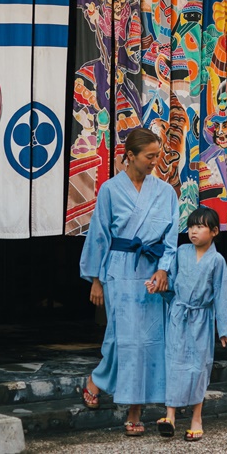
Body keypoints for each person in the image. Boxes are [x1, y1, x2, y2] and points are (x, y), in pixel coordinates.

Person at [79, 127, 179, 437]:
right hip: (119, 270)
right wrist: (95, 279)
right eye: (149, 156)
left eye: (157, 156)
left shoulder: (165, 192)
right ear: (130, 156)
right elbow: (99, 234)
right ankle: (98, 380)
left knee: (149, 342)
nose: (154, 162)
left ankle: (135, 410)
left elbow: (172, 237)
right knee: (122, 338)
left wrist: (164, 269)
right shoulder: (110, 189)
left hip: (151, 271)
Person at [153, 206, 227, 443]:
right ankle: (169, 416)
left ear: (213, 232)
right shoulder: (181, 252)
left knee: (199, 367)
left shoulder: (217, 260)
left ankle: (196, 418)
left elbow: (222, 294)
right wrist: (159, 286)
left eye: (200, 227)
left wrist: (225, 330)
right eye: (191, 226)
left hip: (201, 319)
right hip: (179, 316)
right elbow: (172, 282)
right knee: (174, 363)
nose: (193, 231)